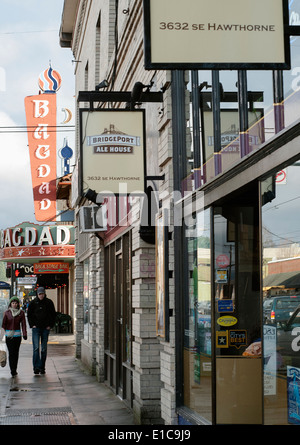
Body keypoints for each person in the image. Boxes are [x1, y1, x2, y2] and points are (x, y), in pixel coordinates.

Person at [27, 287, 56, 375]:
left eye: (42, 294)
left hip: (45, 329)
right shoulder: (33, 303)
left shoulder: (49, 302)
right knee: (36, 348)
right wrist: (32, 325)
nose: (41, 296)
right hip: (36, 328)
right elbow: (29, 315)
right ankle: (36, 367)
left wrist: (50, 325)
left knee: (44, 349)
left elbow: (53, 314)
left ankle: (42, 367)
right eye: (39, 294)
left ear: (44, 293)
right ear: (37, 294)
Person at [1, 296, 27, 377]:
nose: (14, 305)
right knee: (11, 353)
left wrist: (25, 333)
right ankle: (12, 370)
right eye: (13, 303)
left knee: (16, 353)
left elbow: (23, 324)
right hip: (9, 336)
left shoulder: (21, 313)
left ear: (18, 304)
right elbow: (3, 325)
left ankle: (14, 369)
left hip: (17, 336)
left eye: (16, 303)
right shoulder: (7, 313)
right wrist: (1, 336)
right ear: (10, 304)